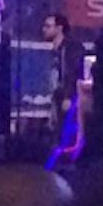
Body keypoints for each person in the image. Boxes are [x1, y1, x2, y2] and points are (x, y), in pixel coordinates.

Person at [41, 13, 85, 153]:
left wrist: (68, 95)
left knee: (66, 127)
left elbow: (73, 72)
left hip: (68, 94)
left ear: (59, 28)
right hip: (58, 93)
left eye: (48, 26)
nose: (44, 29)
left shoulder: (71, 47)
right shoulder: (57, 50)